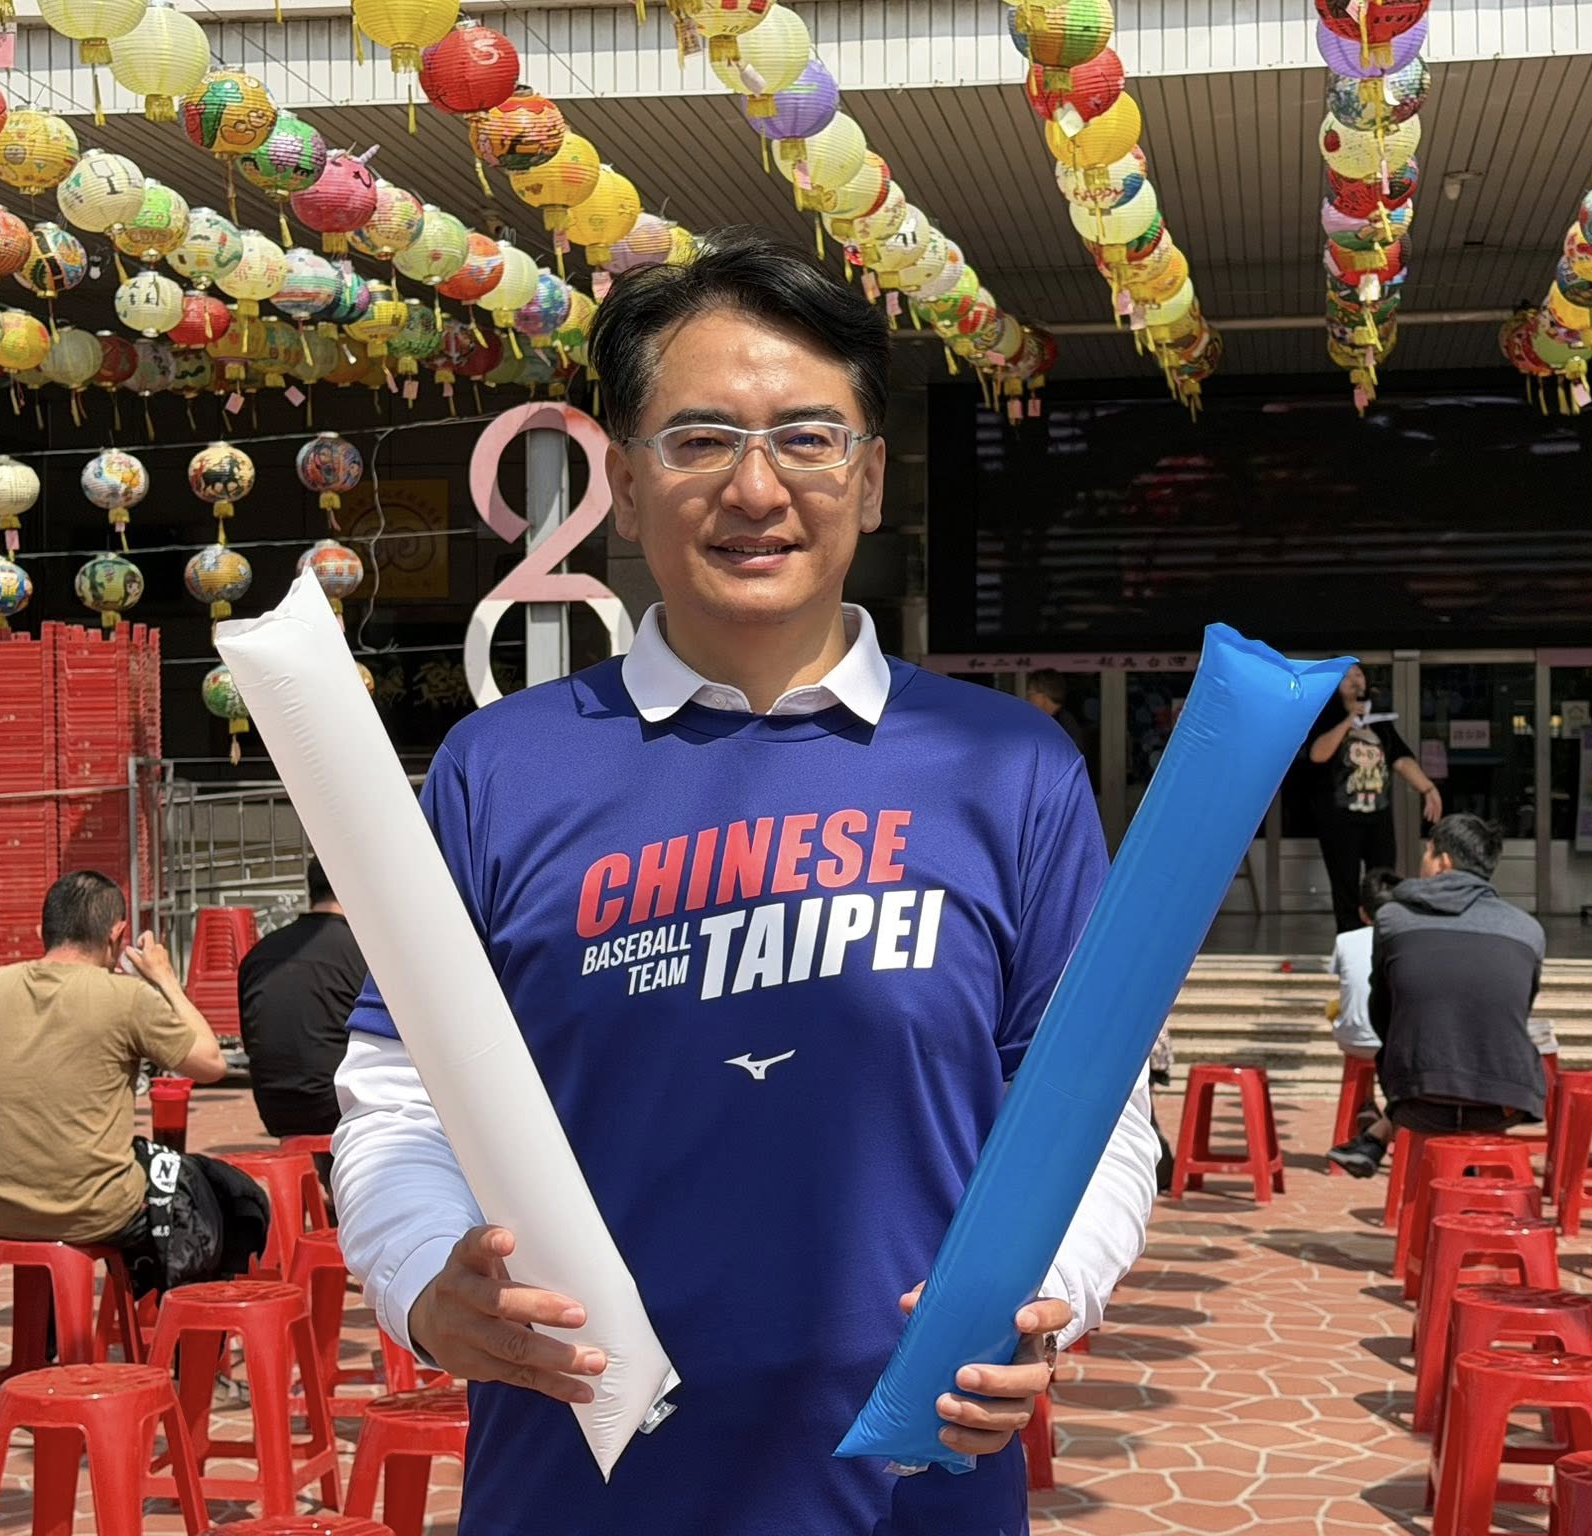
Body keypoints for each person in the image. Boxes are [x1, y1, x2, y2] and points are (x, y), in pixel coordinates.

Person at [331, 233, 1159, 1535]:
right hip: (579, 1485)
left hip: (912, 1488)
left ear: (869, 480)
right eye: (700, 439)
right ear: (623, 481)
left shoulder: (1010, 770)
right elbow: (396, 1096)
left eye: (807, 438)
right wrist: (427, 1285)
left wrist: (1049, 1289)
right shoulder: (500, 770)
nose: (756, 488)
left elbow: (1095, 1111)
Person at [0, 871, 257, 1293]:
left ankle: (49, 1325)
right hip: (98, 1208)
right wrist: (165, 978)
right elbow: (210, 1064)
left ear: (43, 931)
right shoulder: (125, 997)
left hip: (4, 1208)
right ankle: (178, 1322)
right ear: (117, 934)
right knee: (223, 1191)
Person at [1329, 816, 1546, 1177]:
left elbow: (1382, 1010)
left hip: (1416, 1098)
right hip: (1505, 1101)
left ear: (1443, 861)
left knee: (1420, 1051)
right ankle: (1463, 1171)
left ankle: (1379, 1136)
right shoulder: (1528, 930)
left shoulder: (1393, 919)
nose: (1423, 860)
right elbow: (1519, 1008)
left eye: (1427, 852)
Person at [1305, 663, 1441, 931]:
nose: (1355, 680)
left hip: (1378, 815)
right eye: (1346, 676)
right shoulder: (1325, 717)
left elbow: (1400, 759)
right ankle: (1349, 935)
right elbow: (1317, 754)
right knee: (1344, 880)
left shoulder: (1379, 721)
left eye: (1359, 674)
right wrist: (1349, 721)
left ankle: (1382, 931)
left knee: (1383, 877)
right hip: (1339, 817)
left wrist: (1428, 789)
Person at [239, 858, 367, 1142]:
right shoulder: (366, 954)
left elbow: (251, 1041)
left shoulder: (258, 955)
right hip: (343, 1108)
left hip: (276, 1110)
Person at [1327, 867, 1400, 1147]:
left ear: (1362, 912)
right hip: (1393, 1043)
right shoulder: (1406, 940)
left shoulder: (1344, 940)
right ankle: (1387, 1109)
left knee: (1337, 1007)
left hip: (1352, 1038)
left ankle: (1367, 1101)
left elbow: (1345, 983)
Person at [1026, 667, 1097, 790]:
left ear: (1042, 696)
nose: (1027, 697)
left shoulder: (1061, 724)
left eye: (1031, 691)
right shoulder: (1061, 720)